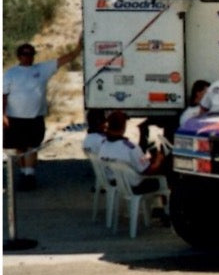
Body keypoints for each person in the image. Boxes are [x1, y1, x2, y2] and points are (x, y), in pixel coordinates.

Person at [4, 39, 80, 189]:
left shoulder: (42, 69)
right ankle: (24, 173)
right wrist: (2, 115)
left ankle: (30, 176)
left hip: (35, 117)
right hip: (15, 117)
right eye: (25, 54)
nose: (28, 57)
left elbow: (64, 59)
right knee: (20, 147)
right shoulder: (10, 74)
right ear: (19, 56)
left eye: (31, 54)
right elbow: (3, 96)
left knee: (32, 146)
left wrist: (78, 48)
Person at [97, 110, 167, 196]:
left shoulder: (103, 144)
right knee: (165, 177)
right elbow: (147, 171)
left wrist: (149, 159)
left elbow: (132, 161)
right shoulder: (130, 148)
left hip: (114, 182)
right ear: (124, 126)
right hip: (132, 186)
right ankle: (160, 205)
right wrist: (158, 161)